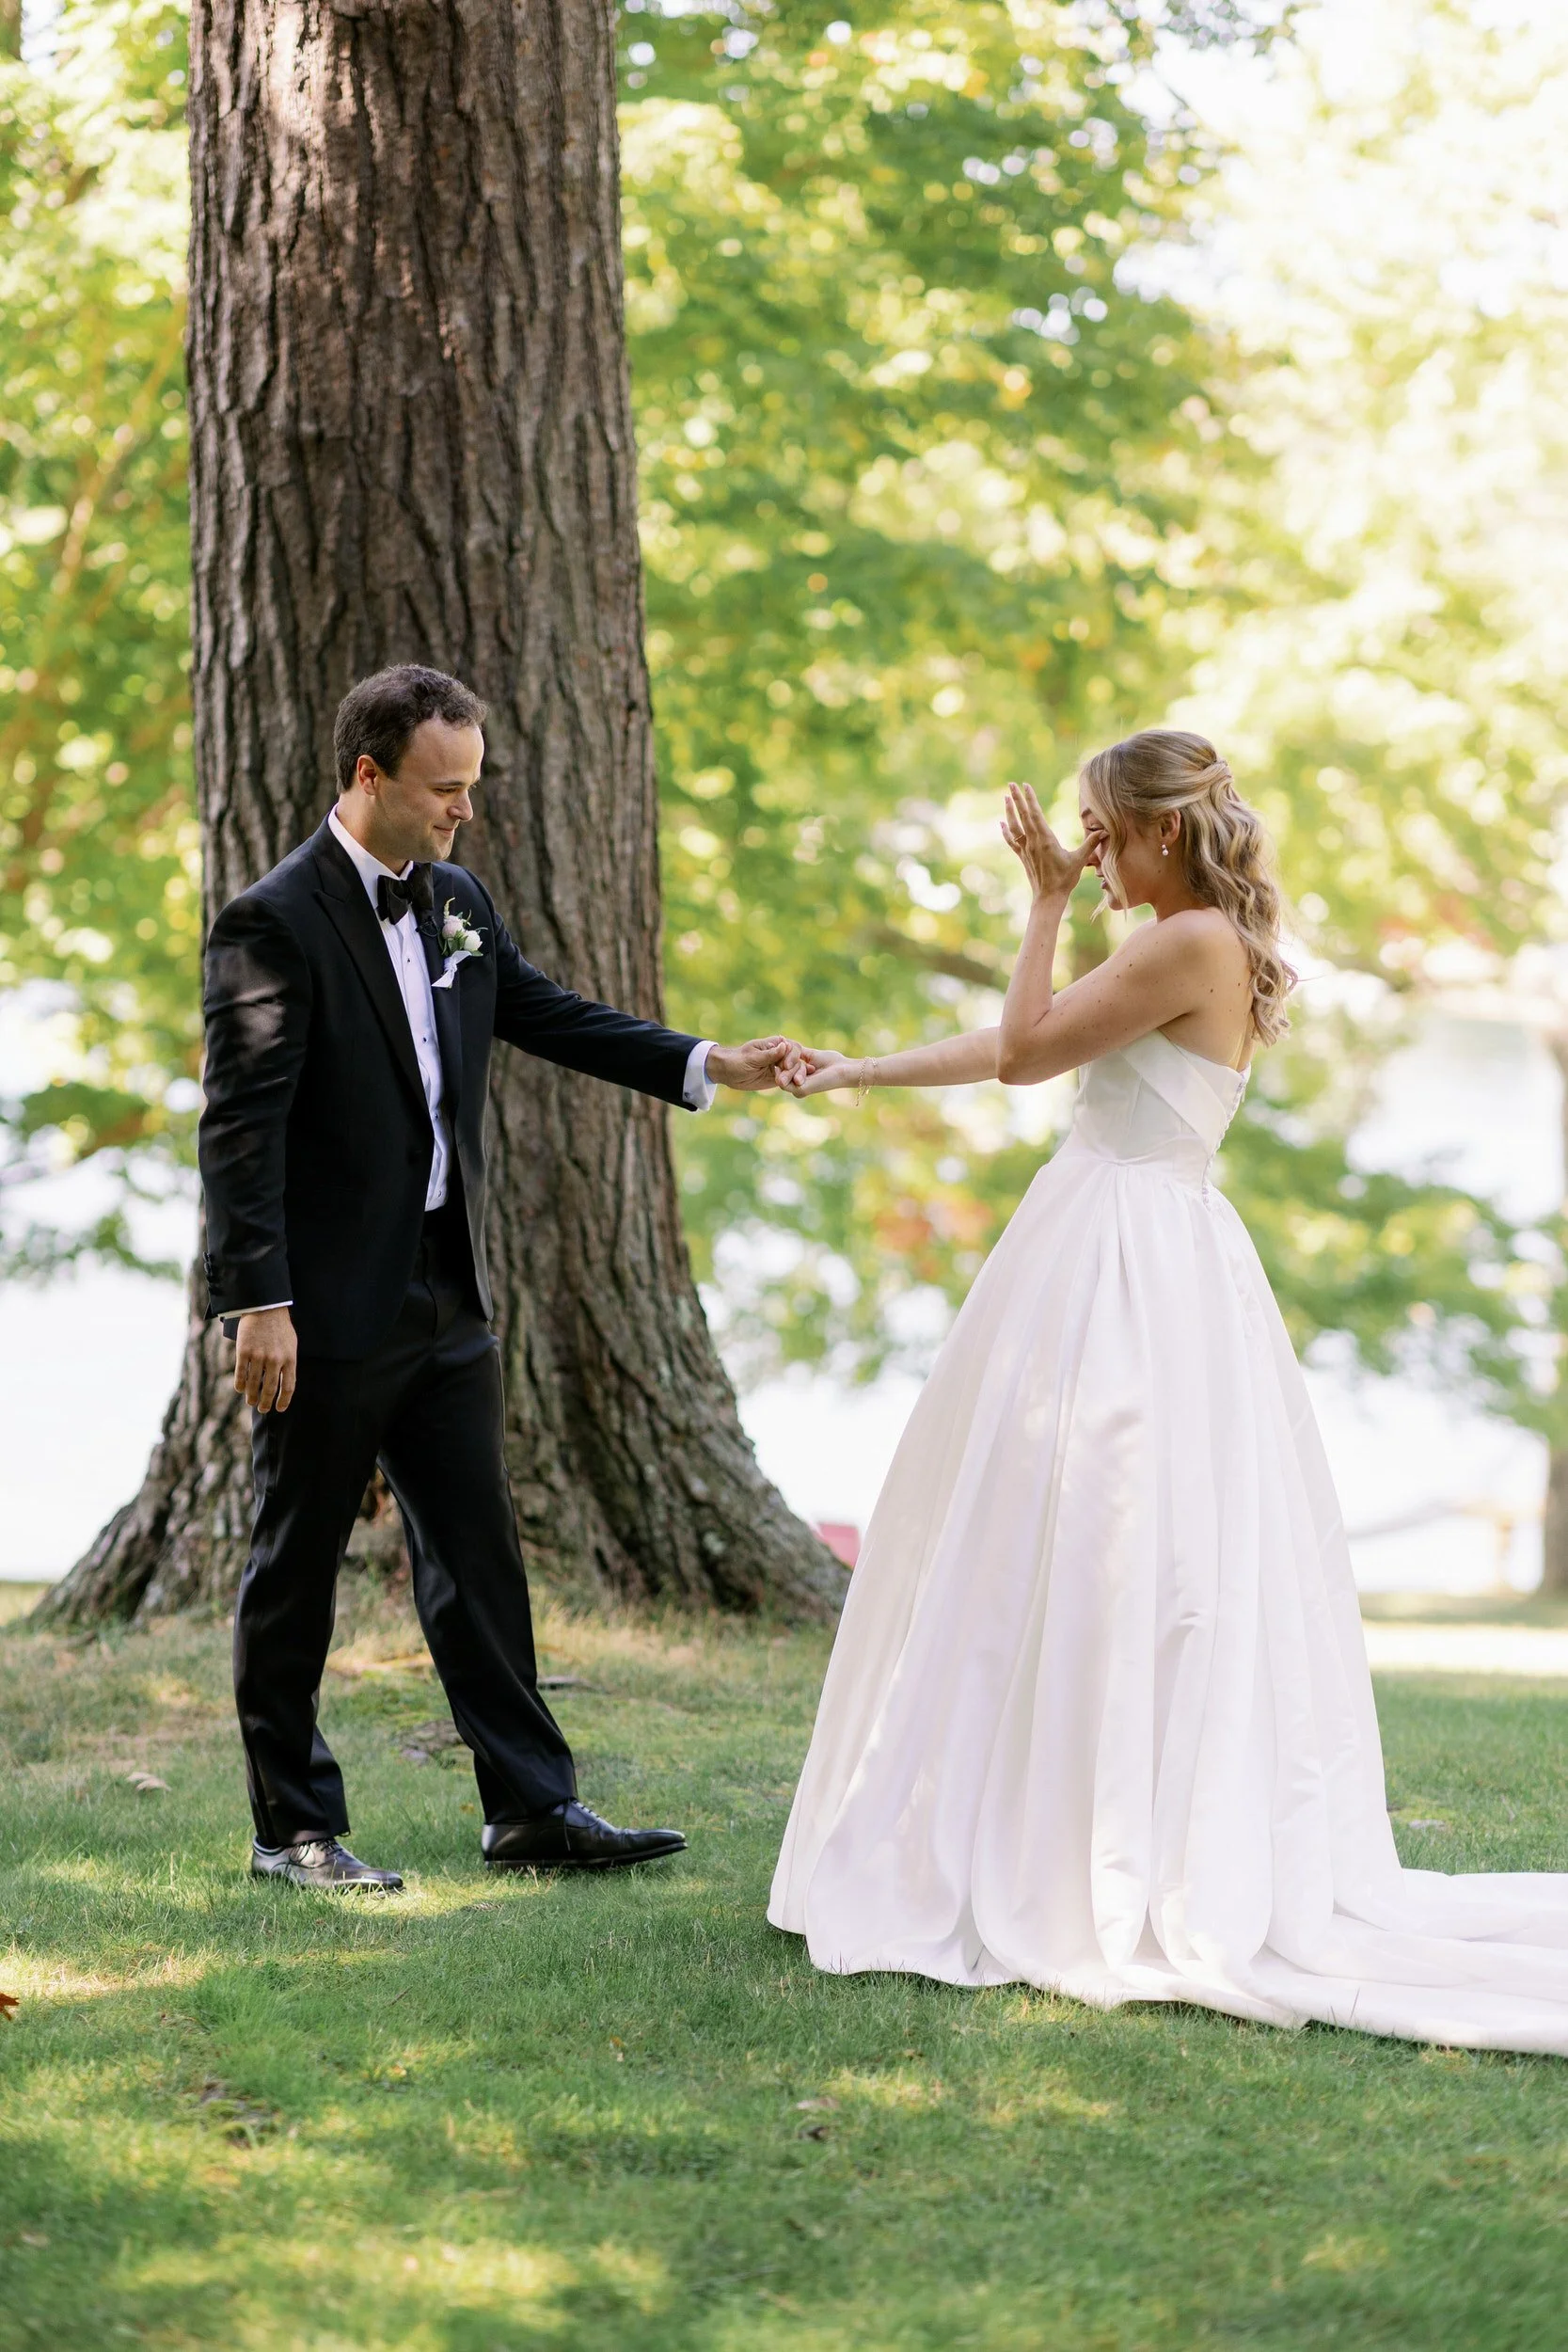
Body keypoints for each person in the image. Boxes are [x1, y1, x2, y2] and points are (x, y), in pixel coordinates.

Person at [769, 728, 1568, 2055]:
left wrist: (1033, 904)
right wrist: (858, 1071)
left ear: (1153, 831)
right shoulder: (1178, 943)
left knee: (1117, 1548)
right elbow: (1022, 1043)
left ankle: (1098, 1852)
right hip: (1114, 1239)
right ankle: (1042, 1817)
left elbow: (1027, 1054)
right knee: (1048, 1549)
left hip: (1127, 1264)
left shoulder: (1187, 942)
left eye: (1095, 828)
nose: (1082, 853)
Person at [199, 663, 797, 1890]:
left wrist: (707, 1064)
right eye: (442, 788)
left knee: (479, 1551)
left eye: (470, 787)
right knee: (295, 1562)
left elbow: (542, 1011)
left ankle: (529, 1807)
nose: (462, 809)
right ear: (368, 777)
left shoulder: (454, 898)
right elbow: (240, 1128)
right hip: (318, 1309)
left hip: (443, 1291)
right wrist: (258, 1303)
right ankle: (291, 1829)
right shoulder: (275, 920)